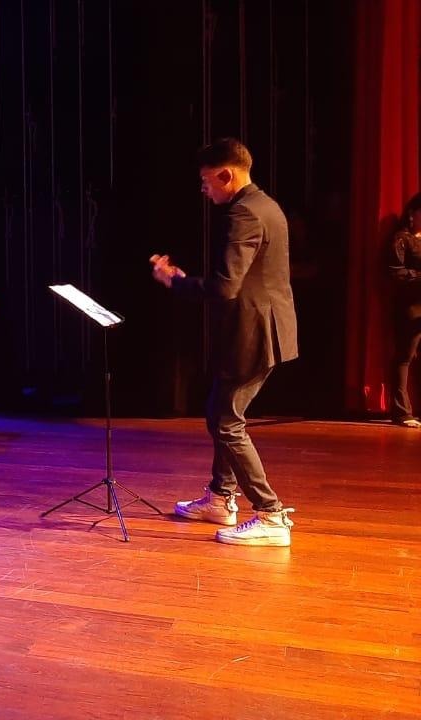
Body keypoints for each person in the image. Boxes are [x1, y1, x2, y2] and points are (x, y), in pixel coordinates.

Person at [150, 137, 299, 546]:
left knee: (227, 421)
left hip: (254, 331)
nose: (204, 189)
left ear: (225, 175)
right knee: (220, 412)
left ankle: (270, 515)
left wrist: (176, 282)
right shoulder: (265, 205)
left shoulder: (245, 213)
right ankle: (220, 497)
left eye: (206, 181)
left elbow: (225, 286)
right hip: (260, 327)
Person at [388, 192, 421, 428]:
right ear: (412, 214)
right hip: (411, 305)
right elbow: (395, 272)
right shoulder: (402, 239)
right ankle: (402, 411)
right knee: (405, 356)